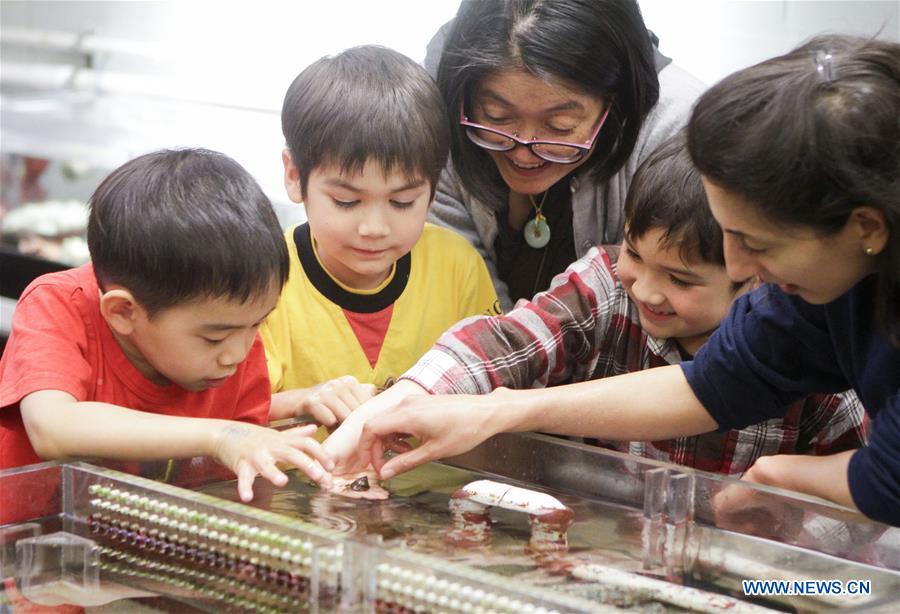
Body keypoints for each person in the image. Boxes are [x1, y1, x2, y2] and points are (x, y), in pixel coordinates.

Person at [330, 35, 899, 526]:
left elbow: (880, 502)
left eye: (757, 244)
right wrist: (483, 409)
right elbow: (713, 383)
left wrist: (785, 489)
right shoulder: (816, 295)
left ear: (866, 227)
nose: (743, 269)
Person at [325, 132, 867, 477]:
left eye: (680, 279)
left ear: (753, 274)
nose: (647, 289)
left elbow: (856, 517)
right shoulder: (604, 288)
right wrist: (388, 408)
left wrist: (785, 562)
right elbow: (504, 342)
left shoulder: (805, 347)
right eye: (634, 252)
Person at [0, 149, 334, 507]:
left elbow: (239, 474)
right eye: (214, 338)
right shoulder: (58, 305)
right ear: (124, 312)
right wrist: (220, 436)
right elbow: (53, 427)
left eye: (258, 323)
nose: (238, 353)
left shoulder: (235, 333)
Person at [260, 45, 500, 425]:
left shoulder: (457, 266)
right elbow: (221, 412)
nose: (374, 228)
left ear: (434, 188)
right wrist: (302, 401)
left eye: (403, 202)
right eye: (346, 201)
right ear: (294, 177)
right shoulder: (264, 276)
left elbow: (491, 385)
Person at [424, 0, 706, 310]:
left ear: (616, 106)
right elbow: (458, 287)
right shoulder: (434, 103)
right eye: (497, 115)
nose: (524, 150)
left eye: (560, 126)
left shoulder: (680, 133)